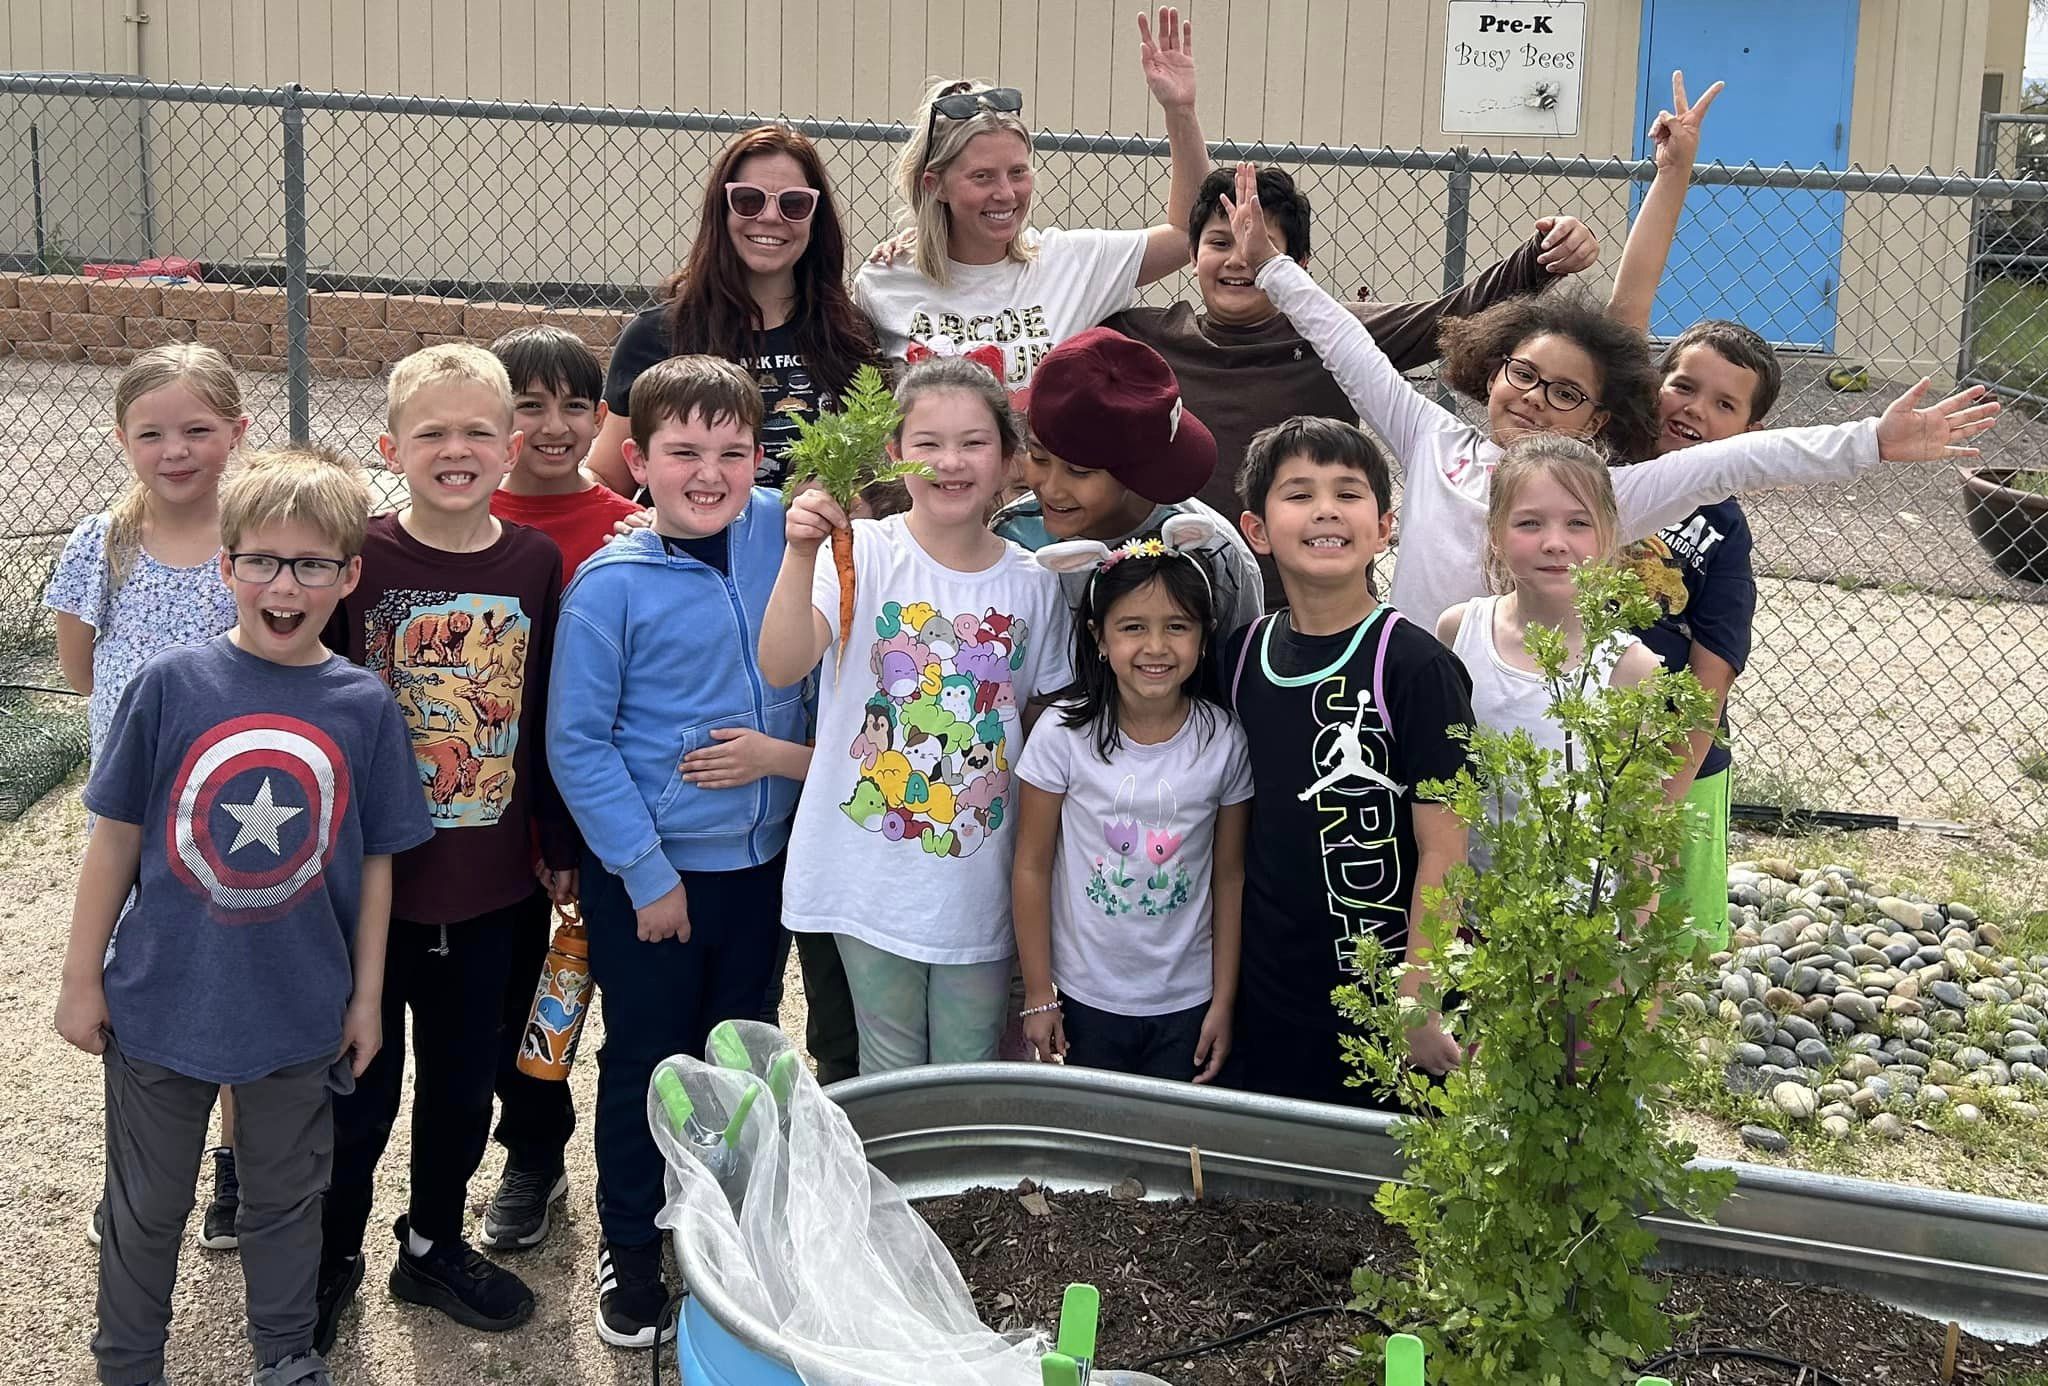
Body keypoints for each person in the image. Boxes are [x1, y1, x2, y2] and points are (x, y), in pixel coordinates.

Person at [1218, 164, 2004, 631]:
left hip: (1526, 725)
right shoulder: (1435, 442)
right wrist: (1275, 270)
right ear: (1492, 371)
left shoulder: (1607, 495)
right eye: (1522, 374)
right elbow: (1353, 352)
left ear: (1596, 420)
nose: (1532, 398)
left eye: (1564, 393)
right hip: (1411, 699)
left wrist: (1871, 439)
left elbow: (1741, 458)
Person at [54, 447, 432, 1386]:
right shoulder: (169, 687)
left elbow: (375, 862)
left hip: (298, 1010)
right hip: (160, 1002)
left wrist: (366, 1000)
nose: (284, 583)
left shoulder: (364, 706)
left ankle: (284, 1355)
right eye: (261, 559)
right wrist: (79, 977)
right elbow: (115, 840)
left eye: (311, 565)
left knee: (283, 1198)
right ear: (226, 567)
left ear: (348, 577)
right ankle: (128, 1362)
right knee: (146, 1204)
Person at [316, 344, 578, 1348]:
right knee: (355, 1093)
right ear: (391, 448)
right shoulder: (361, 561)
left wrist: (555, 845)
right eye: (432, 432)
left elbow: (545, 712)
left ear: (510, 449)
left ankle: (429, 1244)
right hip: (369, 894)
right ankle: (332, 1251)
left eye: (478, 431)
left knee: (464, 1087)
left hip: (488, 894)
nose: (456, 449)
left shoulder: (533, 565)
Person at [548, 354, 812, 1348]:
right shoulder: (608, 588)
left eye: (732, 451)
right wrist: (647, 875)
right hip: (655, 881)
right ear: (636, 461)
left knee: (736, 1055)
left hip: (763, 869)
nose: (710, 472)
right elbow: (579, 742)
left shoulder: (786, 536)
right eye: (683, 452)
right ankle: (630, 1235)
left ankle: (719, 1225)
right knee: (646, 1063)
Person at [759, 358, 1073, 1072]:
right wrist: (799, 549)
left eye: (973, 442)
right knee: (889, 1060)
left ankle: (959, 1190)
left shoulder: (1033, 583)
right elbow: (782, 664)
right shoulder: (859, 552)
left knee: (969, 1061)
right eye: (927, 442)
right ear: (896, 454)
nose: (951, 462)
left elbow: (1033, 714)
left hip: (976, 874)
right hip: (868, 869)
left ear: (1006, 460)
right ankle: (890, 1189)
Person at [45, 343, 251, 1254]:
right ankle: (139, 1172)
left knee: (244, 983)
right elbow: (81, 670)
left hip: (243, 821)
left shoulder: (256, 540)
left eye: (199, 430)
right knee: (141, 992)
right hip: (133, 827)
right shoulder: (102, 544)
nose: (176, 451)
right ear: (123, 440)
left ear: (237, 432)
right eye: (153, 433)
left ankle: (237, 1175)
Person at [1102, 163, 1600, 528]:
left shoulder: (1337, 335)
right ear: (1191, 255)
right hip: (1179, 585)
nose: (1237, 260)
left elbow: (1454, 311)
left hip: (1303, 593)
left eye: (1258, 245)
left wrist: (1544, 256)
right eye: (1219, 243)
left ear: (1297, 264)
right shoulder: (1146, 336)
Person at [1220, 417, 1474, 1107]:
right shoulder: (1241, 656)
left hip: (1385, 998)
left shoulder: (1415, 665)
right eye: (1298, 493)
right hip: (1267, 988)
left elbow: (1445, 846)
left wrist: (1419, 994)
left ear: (1385, 525)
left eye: (1348, 493)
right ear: (1257, 529)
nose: (1326, 508)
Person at [465, 325, 641, 1254]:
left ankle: (648, 1178)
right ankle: (534, 1152)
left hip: (610, 809)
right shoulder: (463, 516)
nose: (552, 424)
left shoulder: (628, 525)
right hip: (503, 816)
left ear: (602, 414)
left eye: (575, 404)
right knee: (520, 1006)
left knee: (629, 1002)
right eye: (527, 405)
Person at [1602, 74, 1760, 951]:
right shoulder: (1608, 458)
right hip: (1575, 740)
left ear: (1753, 429)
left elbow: (1711, 674)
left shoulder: (1725, 529)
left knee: (1657, 952)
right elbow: (1629, 306)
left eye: (1724, 403)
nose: (1694, 407)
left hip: (1676, 767)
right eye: (1682, 383)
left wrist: (1661, 806)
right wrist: (1672, 177)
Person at [854, 8, 1210, 387]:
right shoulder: (884, 281)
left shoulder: (1069, 263)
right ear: (934, 185)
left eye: (1018, 172)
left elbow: (1187, 230)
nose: (1005, 193)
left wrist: (1180, 111)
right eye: (982, 176)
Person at [1011, 527, 1251, 1081]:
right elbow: (1030, 864)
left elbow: (1229, 876)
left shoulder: (1223, 740)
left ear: (1204, 635)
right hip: (1083, 996)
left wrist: (1223, 1001)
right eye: (1132, 627)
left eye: (1177, 627)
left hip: (1187, 999)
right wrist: (1040, 993)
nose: (1156, 647)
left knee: (1174, 1146)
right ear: (1099, 636)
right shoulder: (1060, 736)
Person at [588, 124, 881, 495]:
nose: (771, 217)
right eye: (748, 200)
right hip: (687, 551)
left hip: (816, 551)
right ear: (721, 210)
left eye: (793, 204)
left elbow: (874, 475)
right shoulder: (657, 335)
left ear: (815, 217)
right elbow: (608, 481)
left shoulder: (850, 336)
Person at [1437, 435, 1666, 871]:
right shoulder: (1457, 631)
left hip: (1577, 925)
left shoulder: (1630, 668)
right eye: (1529, 524)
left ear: (1609, 533)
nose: (1555, 542)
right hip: (1464, 911)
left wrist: (1630, 932)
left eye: (1578, 523)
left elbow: (1640, 828)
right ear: (1495, 534)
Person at [990, 327, 1264, 632]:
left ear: (1139, 472)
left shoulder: (1210, 548)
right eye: (1039, 457)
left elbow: (1238, 669)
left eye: (1080, 471)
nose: (1051, 489)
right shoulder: (1011, 532)